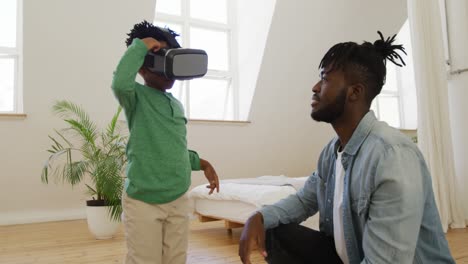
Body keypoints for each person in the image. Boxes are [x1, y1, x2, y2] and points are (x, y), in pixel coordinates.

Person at [238, 32, 455, 264]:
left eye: (325, 79)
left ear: (355, 92)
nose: (315, 87)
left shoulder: (392, 156)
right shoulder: (332, 152)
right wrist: (259, 217)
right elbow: (304, 200)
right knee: (274, 231)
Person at [112, 21, 220, 264]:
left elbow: (174, 147)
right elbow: (119, 82)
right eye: (160, 61)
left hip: (177, 198)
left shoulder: (175, 104)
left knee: (176, 258)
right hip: (143, 201)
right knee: (144, 259)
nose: (167, 70)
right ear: (142, 68)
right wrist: (141, 47)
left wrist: (203, 164)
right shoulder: (135, 98)